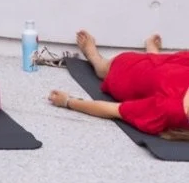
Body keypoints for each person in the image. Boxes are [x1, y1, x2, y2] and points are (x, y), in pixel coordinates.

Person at [49, 30, 189, 135]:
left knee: (104, 69)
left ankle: (95, 58)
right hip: (162, 67)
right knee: (166, 69)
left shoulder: (170, 108)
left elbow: (113, 110)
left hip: (127, 76)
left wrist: (68, 102)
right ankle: (152, 54)